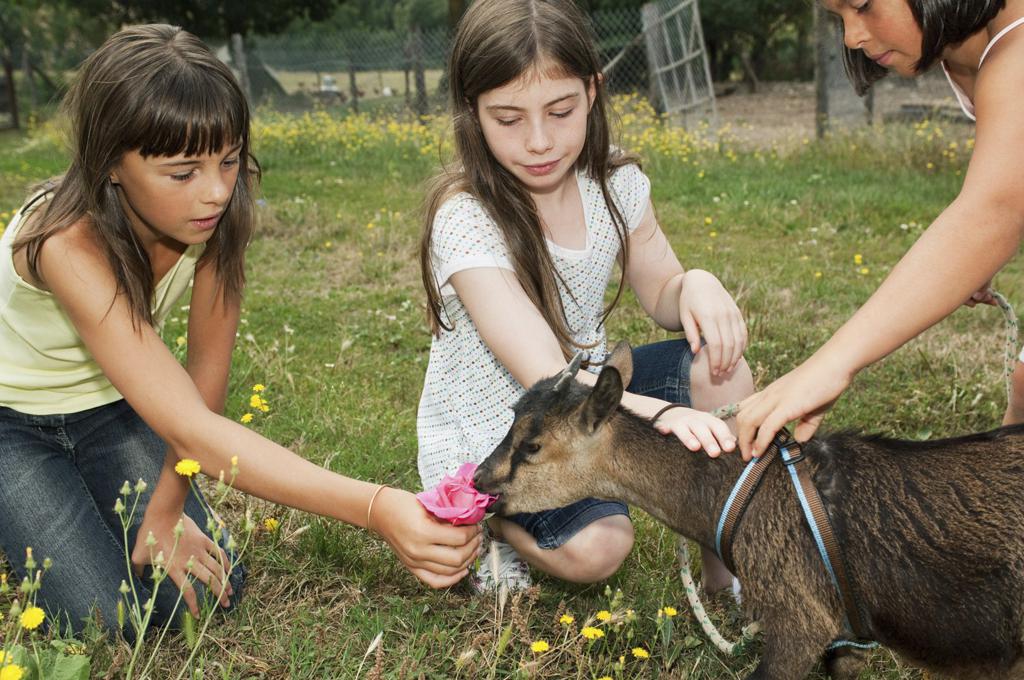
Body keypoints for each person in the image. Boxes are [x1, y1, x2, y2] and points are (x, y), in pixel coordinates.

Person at [0, 24, 479, 641]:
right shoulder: (65, 240)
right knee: (109, 622)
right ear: (111, 166)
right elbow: (192, 428)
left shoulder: (219, 217)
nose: (218, 191)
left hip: (112, 408)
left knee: (200, 596)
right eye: (182, 172)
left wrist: (167, 509)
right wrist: (376, 508)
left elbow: (204, 385)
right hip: (11, 422)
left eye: (228, 161)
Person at [417, 0, 753, 594]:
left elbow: (664, 292)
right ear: (472, 111)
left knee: (720, 367)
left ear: (593, 92)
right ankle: (488, 524)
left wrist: (695, 282)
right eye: (508, 118)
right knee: (601, 547)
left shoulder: (616, 185)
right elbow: (547, 375)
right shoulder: (465, 218)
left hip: (591, 399)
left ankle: (723, 576)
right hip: (505, 433)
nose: (540, 140)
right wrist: (664, 415)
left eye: (561, 109)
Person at [736, 0, 1024, 459]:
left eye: (864, 6)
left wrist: (832, 363)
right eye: (839, 18)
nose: (851, 36)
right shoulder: (970, 50)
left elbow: (992, 212)